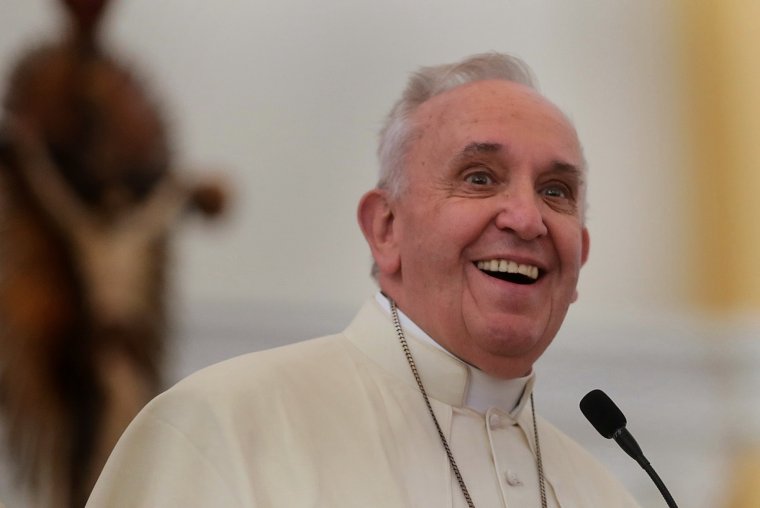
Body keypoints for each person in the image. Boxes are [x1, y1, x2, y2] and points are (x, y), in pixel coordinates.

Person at [86, 53, 641, 507]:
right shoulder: (222, 429)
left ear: (580, 257)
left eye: (555, 191)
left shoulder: (607, 495)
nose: (526, 218)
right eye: (479, 178)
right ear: (385, 229)